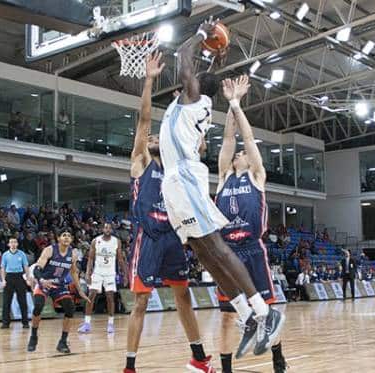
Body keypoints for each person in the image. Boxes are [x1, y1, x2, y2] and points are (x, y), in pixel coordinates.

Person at [159, 20, 284, 358]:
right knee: (202, 252)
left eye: (190, 81)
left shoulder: (194, 99)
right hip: (174, 182)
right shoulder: (188, 107)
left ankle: (264, 310)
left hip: (185, 178)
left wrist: (202, 34)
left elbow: (183, 54)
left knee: (215, 246)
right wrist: (215, 55)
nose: (183, 83)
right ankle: (247, 314)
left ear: (195, 87)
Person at [123, 52, 214, 373]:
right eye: (148, 138)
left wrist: (189, 110)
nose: (151, 138)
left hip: (174, 236)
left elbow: (199, 145)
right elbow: (144, 120)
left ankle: (199, 357)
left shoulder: (175, 165)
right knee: (142, 303)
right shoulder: (141, 162)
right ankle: (130, 366)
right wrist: (148, 80)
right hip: (149, 238)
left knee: (183, 296)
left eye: (154, 138)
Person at [214, 75, 287, 372]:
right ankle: (227, 367)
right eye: (238, 155)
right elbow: (230, 139)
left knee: (265, 310)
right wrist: (229, 107)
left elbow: (244, 138)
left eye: (243, 154)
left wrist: (237, 104)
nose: (240, 154)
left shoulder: (257, 176)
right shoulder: (222, 178)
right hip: (227, 251)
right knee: (226, 316)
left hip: (252, 249)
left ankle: (277, 357)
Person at [28, 230, 90, 354]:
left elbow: (73, 272)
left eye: (69, 235)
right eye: (64, 235)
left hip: (59, 285)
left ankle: (62, 342)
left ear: (71, 239)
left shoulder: (72, 254)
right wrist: (41, 280)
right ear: (58, 238)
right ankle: (33, 336)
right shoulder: (50, 250)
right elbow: (37, 268)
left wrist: (80, 291)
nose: (67, 237)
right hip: (44, 282)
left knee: (70, 308)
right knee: (38, 306)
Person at [78, 223, 122, 334]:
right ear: (102, 229)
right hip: (97, 272)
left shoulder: (116, 241)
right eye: (106, 227)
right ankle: (87, 324)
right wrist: (88, 273)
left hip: (110, 273)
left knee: (110, 298)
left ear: (112, 229)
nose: (107, 229)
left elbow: (120, 259)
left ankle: (111, 324)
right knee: (91, 296)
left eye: (110, 228)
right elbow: (91, 259)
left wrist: (125, 274)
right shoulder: (95, 241)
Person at [0, 236, 30, 329]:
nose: (13, 244)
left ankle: (25, 322)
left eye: (15, 242)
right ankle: (5, 323)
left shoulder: (22, 254)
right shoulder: (5, 255)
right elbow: (2, 268)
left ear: (17, 244)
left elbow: (26, 267)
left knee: (22, 301)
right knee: (6, 302)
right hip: (9, 277)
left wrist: (28, 278)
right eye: (11, 242)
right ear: (8, 244)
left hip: (19, 277)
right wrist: (3, 280)